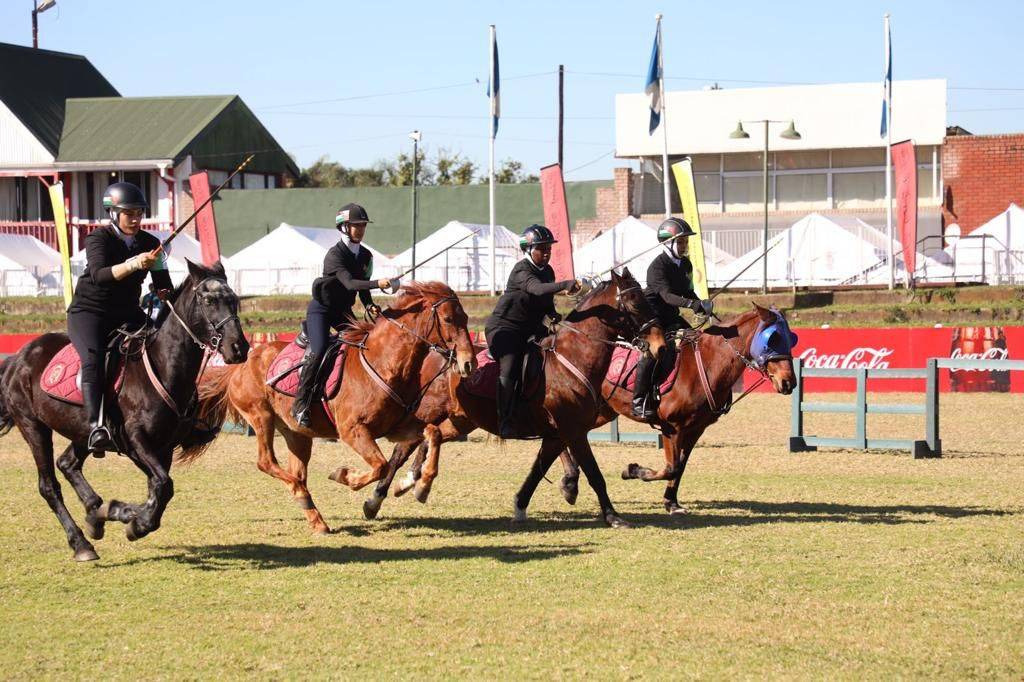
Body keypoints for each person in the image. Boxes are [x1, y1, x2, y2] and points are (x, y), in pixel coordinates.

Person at [67, 181, 172, 452]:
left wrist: (162, 286)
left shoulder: (151, 243)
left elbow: (163, 283)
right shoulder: (97, 238)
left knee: (163, 347)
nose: (136, 219)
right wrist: (134, 264)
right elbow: (100, 276)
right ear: (113, 213)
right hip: (90, 313)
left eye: (139, 213)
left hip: (127, 312)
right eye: (130, 214)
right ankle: (96, 427)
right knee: (94, 359)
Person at [291, 203, 396, 427]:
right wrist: (379, 282)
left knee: (362, 345)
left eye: (363, 225)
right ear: (344, 227)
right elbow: (349, 284)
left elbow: (362, 288)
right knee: (318, 351)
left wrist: (369, 305)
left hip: (343, 311)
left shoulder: (366, 255)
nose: (361, 229)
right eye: (356, 225)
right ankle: (301, 404)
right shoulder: (334, 255)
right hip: (321, 311)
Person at [484, 224, 581, 438]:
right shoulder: (521, 270)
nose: (547, 252)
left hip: (530, 329)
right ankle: (505, 420)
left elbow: (545, 302)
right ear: (528, 249)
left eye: (549, 248)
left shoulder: (547, 271)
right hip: (504, 329)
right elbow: (536, 289)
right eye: (542, 248)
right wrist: (565, 284)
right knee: (510, 366)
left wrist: (554, 314)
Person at [632, 217, 714, 421]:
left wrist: (703, 304)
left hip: (671, 317)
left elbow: (688, 292)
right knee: (655, 351)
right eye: (680, 242)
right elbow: (667, 296)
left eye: (685, 242)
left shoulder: (685, 264)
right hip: (652, 319)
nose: (684, 245)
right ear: (668, 243)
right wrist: (692, 305)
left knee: (696, 341)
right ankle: (640, 400)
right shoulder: (657, 267)